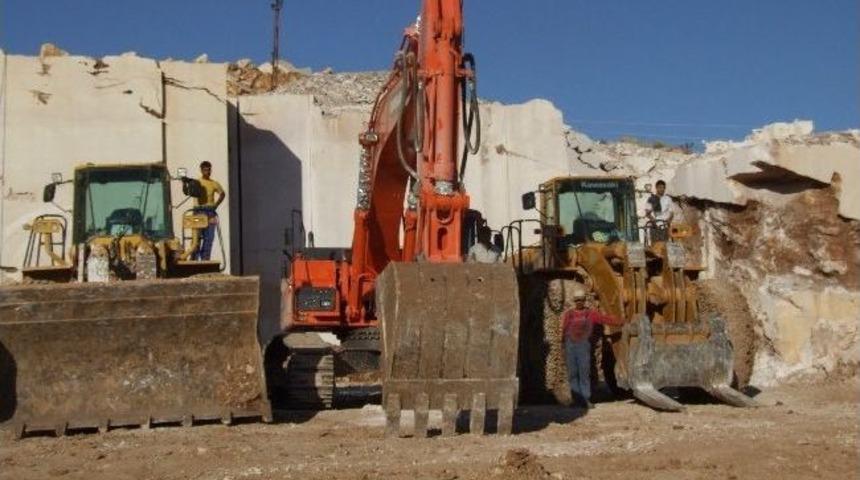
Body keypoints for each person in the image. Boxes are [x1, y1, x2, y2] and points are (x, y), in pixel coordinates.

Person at [561, 286, 621, 408]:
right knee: (572, 374)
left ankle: (585, 399)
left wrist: (622, 322)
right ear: (574, 301)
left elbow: (605, 319)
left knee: (584, 373)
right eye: (577, 300)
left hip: (583, 346)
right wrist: (563, 346)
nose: (579, 302)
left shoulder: (590, 314)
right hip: (570, 346)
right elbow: (564, 329)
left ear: (584, 300)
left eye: (581, 300)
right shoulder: (569, 314)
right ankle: (576, 399)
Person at [192, 161, 225, 261]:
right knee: (196, 238)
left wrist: (216, 205)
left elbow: (222, 194)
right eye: (205, 170)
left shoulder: (214, 183)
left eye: (209, 170)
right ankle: (194, 260)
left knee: (209, 238)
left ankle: (205, 260)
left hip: (210, 212)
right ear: (201, 170)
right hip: (198, 212)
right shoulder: (197, 182)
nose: (207, 172)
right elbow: (190, 191)